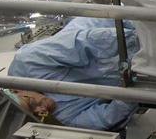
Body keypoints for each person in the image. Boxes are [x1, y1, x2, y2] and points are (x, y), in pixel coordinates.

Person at [8, 17, 141, 131]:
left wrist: (142, 45)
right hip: (135, 66)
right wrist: (137, 87)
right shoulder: (60, 118)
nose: (42, 110)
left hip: (121, 29)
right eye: (37, 117)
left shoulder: (27, 61)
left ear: (16, 90)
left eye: (32, 104)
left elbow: (88, 42)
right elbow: (108, 116)